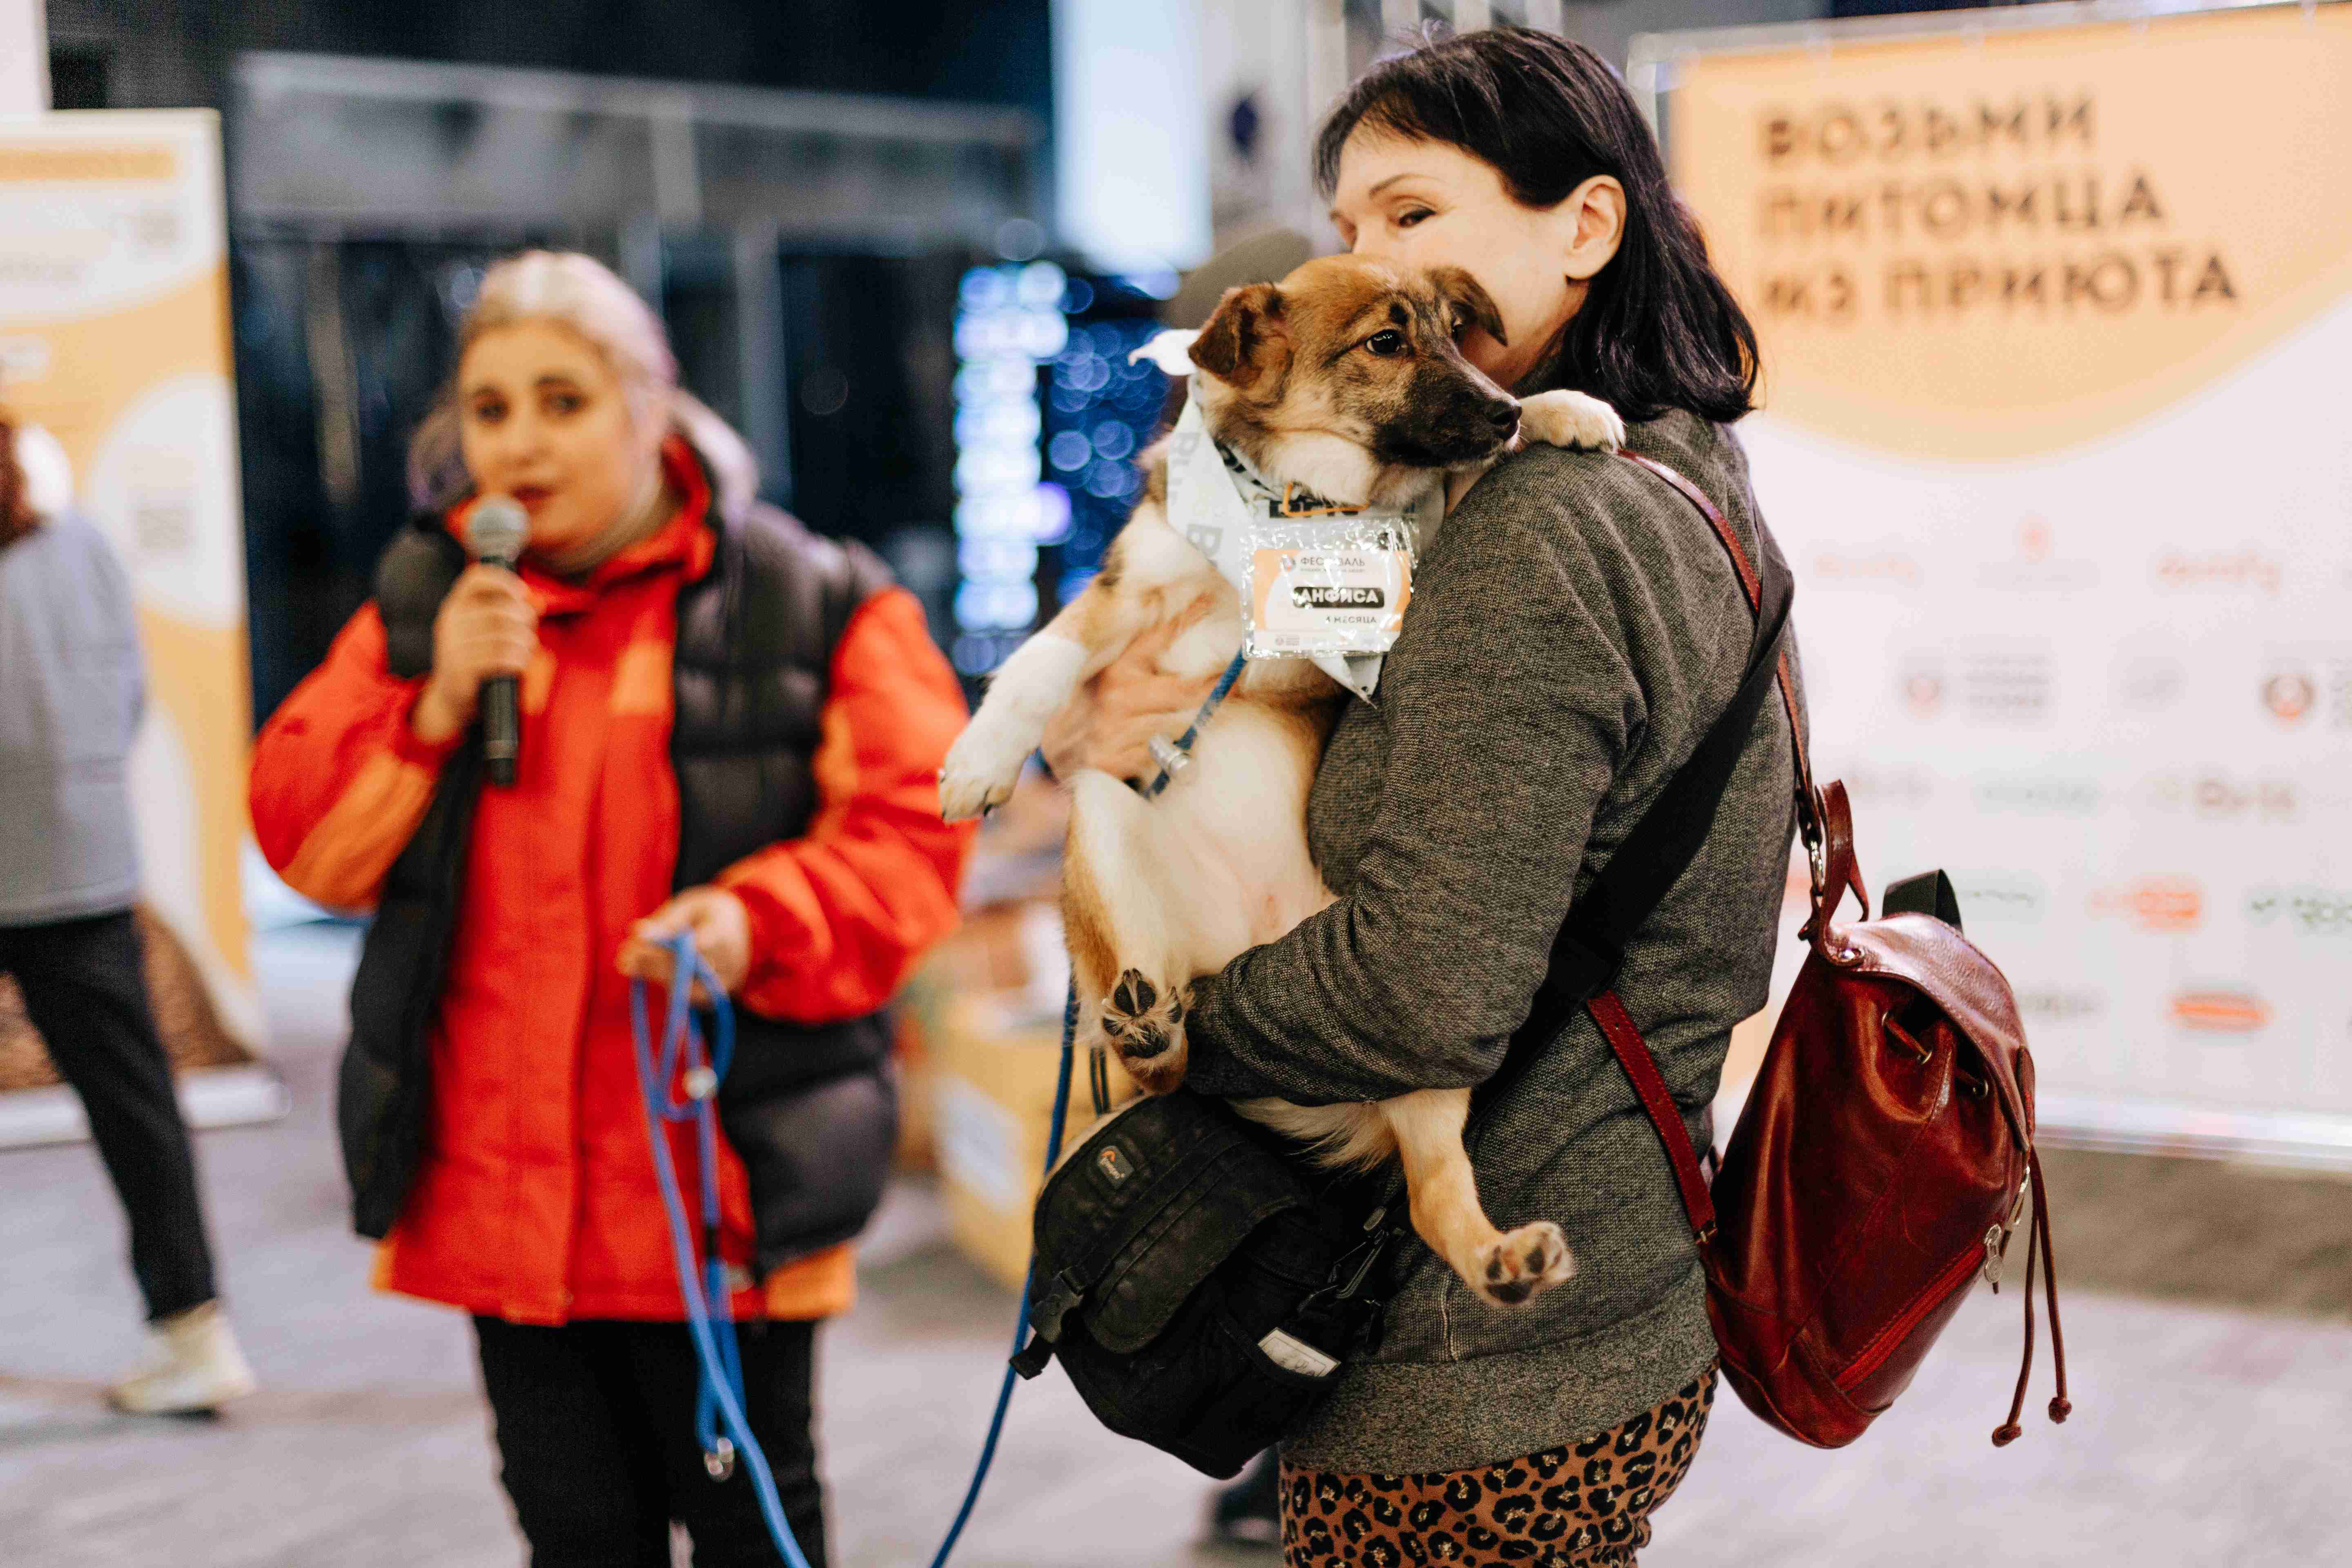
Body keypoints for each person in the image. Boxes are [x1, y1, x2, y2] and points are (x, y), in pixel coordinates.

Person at [1045, 29, 1798, 1567]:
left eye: (1412, 212)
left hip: (1475, 1373)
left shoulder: (1537, 535)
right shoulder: (1682, 471)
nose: (1373, 265)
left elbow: (1420, 988)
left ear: (1586, 227)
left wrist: (1175, 1024)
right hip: (1621, 1280)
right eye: (1351, 231)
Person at [248, 252, 973, 1568]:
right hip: (506, 1202)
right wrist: (434, 709)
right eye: (489, 408)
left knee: (755, 1529)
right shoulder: (431, 605)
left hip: (719, 1193)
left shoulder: (813, 600)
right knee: (576, 1535)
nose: (519, 443)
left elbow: (913, 841)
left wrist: (761, 920)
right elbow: (308, 851)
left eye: (563, 401)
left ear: (654, 407)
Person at [0, 412, 256, 1414]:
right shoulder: (86, 546)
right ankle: (195, 1332)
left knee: (136, 1109)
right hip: (87, 865)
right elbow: (129, 694)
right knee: (138, 1110)